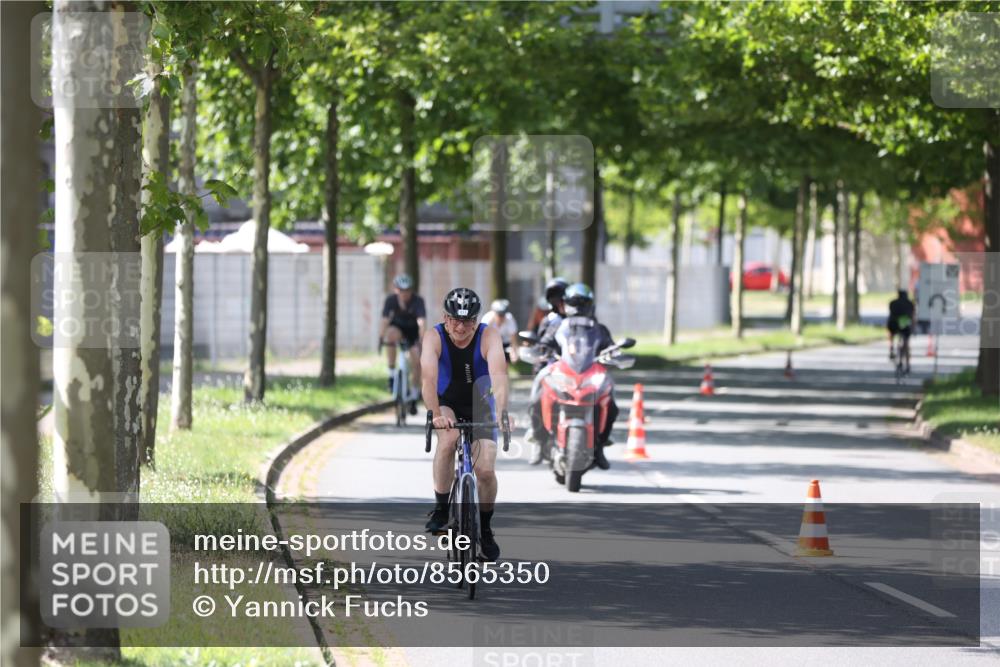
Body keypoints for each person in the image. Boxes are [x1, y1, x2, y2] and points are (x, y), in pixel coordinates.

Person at [421, 287, 512, 561]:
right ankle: (440, 508)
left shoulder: (489, 335)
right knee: (448, 441)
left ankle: (484, 529)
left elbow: (498, 375)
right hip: (446, 401)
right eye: (455, 320)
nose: (461, 327)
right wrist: (435, 413)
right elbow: (427, 379)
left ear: (477, 319)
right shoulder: (434, 337)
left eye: (468, 320)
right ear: (445, 318)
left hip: (481, 402)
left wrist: (503, 411)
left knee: (485, 470)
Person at [525, 283, 619, 470]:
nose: (578, 307)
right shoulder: (558, 325)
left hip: (590, 374)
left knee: (610, 402)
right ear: (566, 304)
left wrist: (613, 354)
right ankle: (540, 440)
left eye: (582, 303)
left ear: (590, 305)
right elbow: (544, 342)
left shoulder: (598, 328)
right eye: (574, 303)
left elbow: (610, 346)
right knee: (537, 396)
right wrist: (541, 349)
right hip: (561, 371)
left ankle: (599, 446)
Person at [379, 274, 426, 399]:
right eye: (401, 290)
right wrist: (381, 337)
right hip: (398, 329)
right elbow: (385, 320)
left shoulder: (418, 301)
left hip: (412, 333)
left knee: (417, 361)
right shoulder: (391, 300)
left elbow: (421, 321)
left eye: (407, 290)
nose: (404, 293)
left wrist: (421, 340)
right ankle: (392, 373)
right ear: (396, 290)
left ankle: (415, 391)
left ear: (411, 290)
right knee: (390, 336)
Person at [482, 299, 519, 363]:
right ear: (494, 313)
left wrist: (514, 353)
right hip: (491, 342)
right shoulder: (487, 319)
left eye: (503, 315)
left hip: (505, 342)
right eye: (499, 315)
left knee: (505, 363)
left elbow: (513, 339)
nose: (501, 318)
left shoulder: (509, 319)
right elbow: (483, 338)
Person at [888, 288, 915, 371]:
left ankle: (892, 347)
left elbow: (891, 314)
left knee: (891, 333)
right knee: (906, 343)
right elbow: (913, 317)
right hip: (905, 324)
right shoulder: (910, 303)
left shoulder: (892, 303)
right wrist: (913, 327)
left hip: (894, 324)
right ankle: (907, 364)